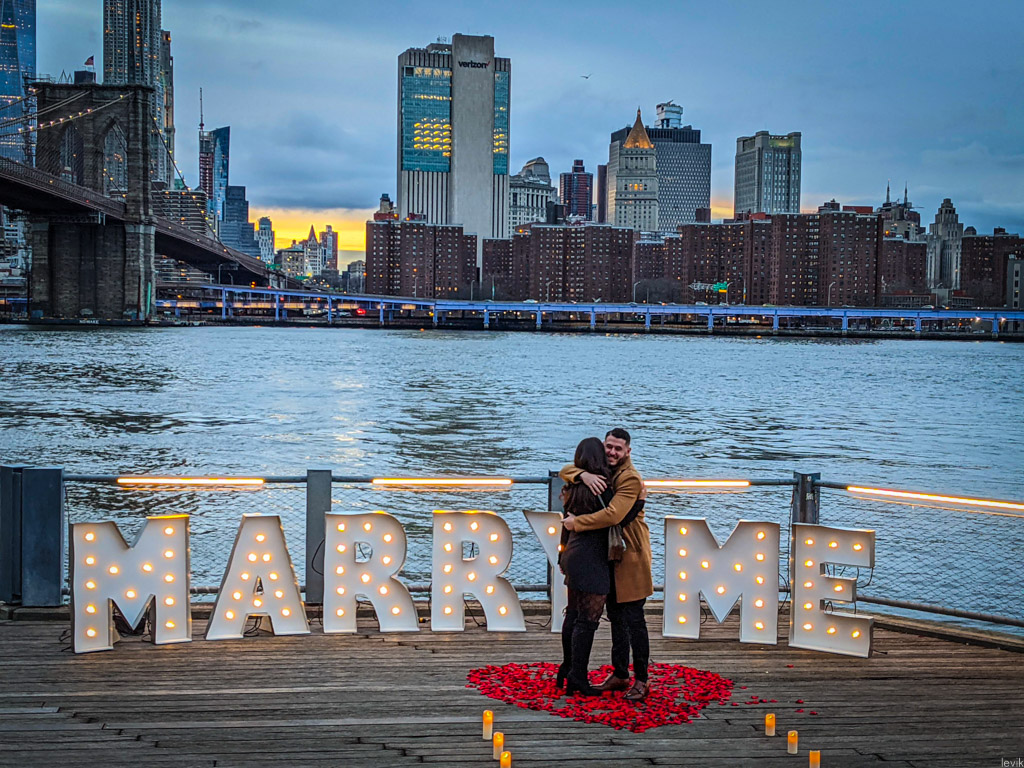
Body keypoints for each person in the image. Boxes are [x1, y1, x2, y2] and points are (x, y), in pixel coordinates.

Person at [561, 428, 653, 702]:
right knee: (616, 619)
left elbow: (613, 515)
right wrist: (582, 475)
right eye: (609, 446)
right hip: (609, 557)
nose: (612, 452)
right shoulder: (600, 471)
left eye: (618, 448)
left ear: (628, 451)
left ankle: (642, 679)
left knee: (634, 621)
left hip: (630, 557)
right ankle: (620, 673)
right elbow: (565, 470)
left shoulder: (631, 478)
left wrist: (576, 523)